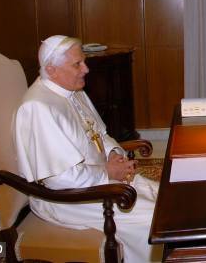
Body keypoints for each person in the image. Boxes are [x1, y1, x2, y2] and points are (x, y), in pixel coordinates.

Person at [14, 35, 161, 262]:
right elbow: (59, 178)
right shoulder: (38, 108)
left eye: (83, 61)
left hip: (97, 181)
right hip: (66, 198)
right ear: (51, 70)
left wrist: (113, 155)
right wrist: (108, 173)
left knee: (162, 198)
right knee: (155, 220)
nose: (86, 69)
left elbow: (100, 135)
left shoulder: (74, 91)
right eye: (77, 64)